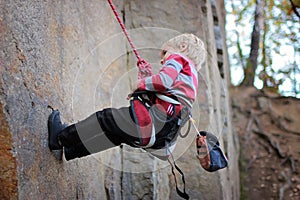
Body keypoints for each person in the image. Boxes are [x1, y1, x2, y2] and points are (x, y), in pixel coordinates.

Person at [48, 33, 206, 161]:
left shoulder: (179, 59)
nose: (162, 59)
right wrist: (147, 77)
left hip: (149, 124)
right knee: (113, 135)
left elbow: (163, 82)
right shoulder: (191, 80)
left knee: (105, 118)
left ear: (183, 47)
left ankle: (61, 138)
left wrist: (140, 83)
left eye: (165, 52)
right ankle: (72, 150)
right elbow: (164, 98)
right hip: (157, 136)